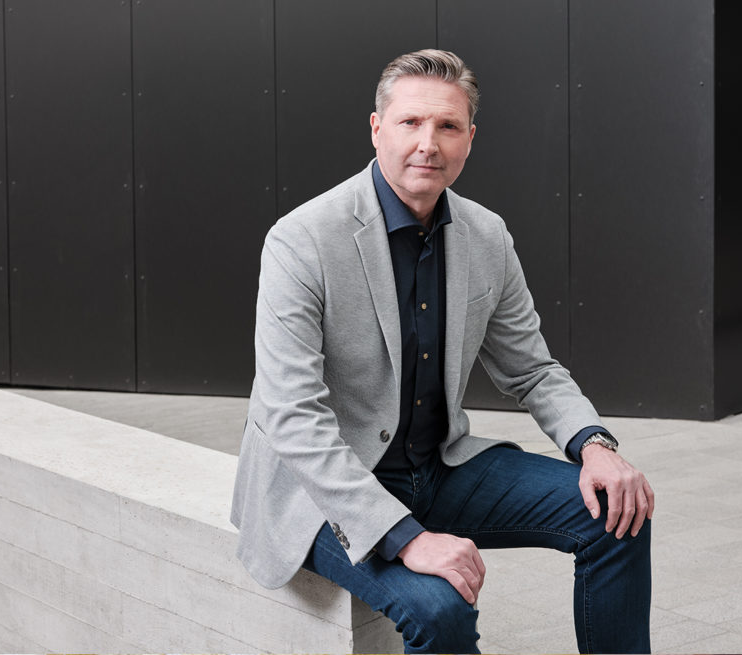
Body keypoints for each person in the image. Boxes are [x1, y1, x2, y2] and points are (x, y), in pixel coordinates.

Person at [231, 49, 654, 654]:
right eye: (410, 123)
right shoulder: (301, 241)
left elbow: (532, 369)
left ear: (469, 139)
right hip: (319, 489)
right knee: (439, 608)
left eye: (448, 126)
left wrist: (595, 446)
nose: (428, 142)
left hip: (438, 466)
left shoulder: (487, 235)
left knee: (619, 514)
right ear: (377, 128)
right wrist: (407, 537)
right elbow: (291, 415)